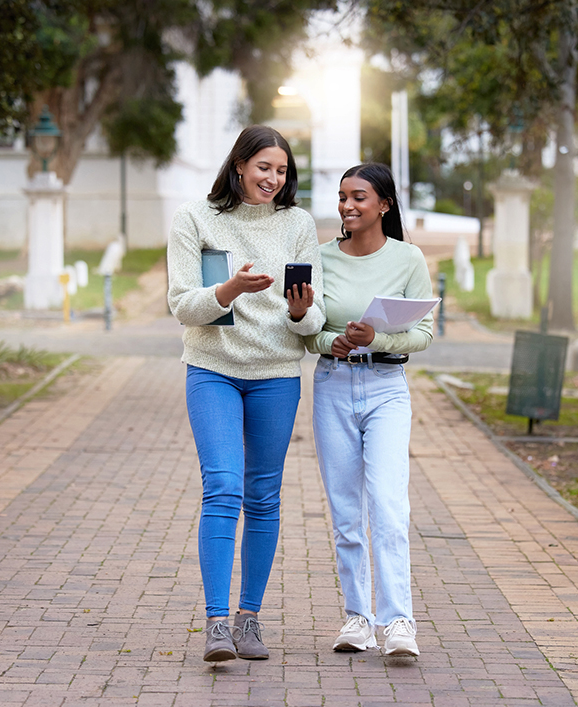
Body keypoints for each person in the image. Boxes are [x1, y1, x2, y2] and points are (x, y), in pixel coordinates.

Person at [167, 125, 325, 663]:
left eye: (281, 171)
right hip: (213, 369)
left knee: (263, 496)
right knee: (223, 486)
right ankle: (215, 623)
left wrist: (303, 312)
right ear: (239, 165)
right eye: (263, 168)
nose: (272, 179)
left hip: (277, 374)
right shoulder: (195, 218)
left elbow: (314, 316)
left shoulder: (298, 224)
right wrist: (230, 288)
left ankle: (249, 619)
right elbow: (183, 304)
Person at [305, 163, 434, 657]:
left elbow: (422, 334)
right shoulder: (320, 259)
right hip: (334, 385)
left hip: (386, 387)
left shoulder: (408, 259)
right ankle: (357, 617)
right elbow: (304, 327)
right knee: (345, 511)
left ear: (384, 205)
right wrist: (329, 340)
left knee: (388, 504)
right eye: (342, 197)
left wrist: (375, 337)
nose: (347, 206)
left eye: (359, 197)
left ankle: (398, 621)